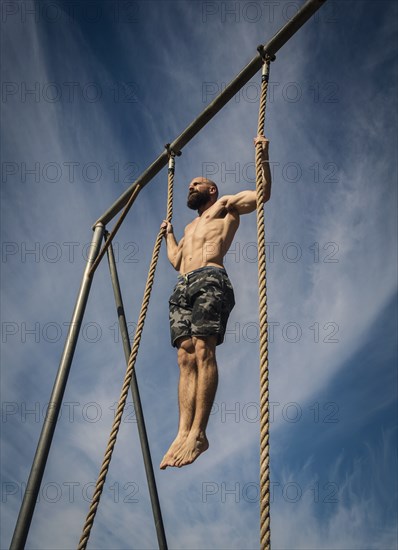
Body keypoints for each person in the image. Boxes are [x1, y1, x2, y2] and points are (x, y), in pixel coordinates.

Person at [159, 136, 271, 469]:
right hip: (183, 283)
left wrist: (262, 156)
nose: (190, 187)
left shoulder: (225, 206)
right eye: (189, 184)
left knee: (204, 349)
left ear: (211, 190)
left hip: (211, 277)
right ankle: (182, 431)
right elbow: (177, 260)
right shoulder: (191, 224)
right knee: (185, 356)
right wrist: (168, 234)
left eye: (197, 183)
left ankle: (199, 431)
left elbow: (262, 194)